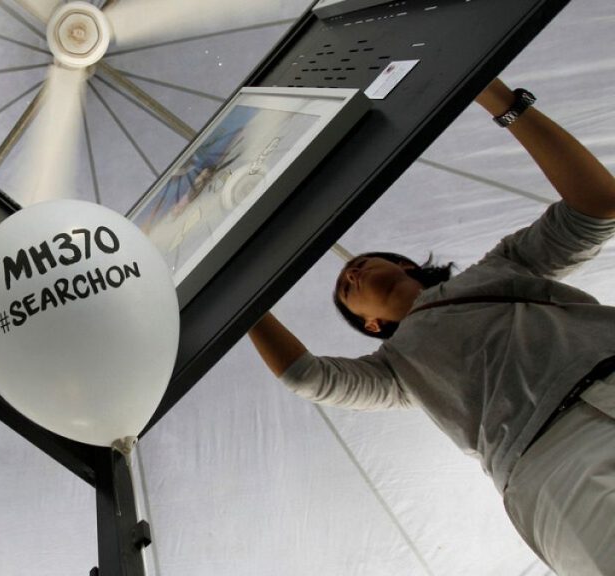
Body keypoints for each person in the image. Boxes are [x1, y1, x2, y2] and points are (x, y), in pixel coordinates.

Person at [248, 77, 615, 575]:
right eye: (344, 291)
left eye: (361, 263)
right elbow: (308, 377)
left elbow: (596, 207)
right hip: (552, 461)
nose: (350, 272)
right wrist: (245, 291)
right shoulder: (399, 373)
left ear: (404, 266)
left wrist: (499, 100)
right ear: (372, 324)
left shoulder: (502, 268)